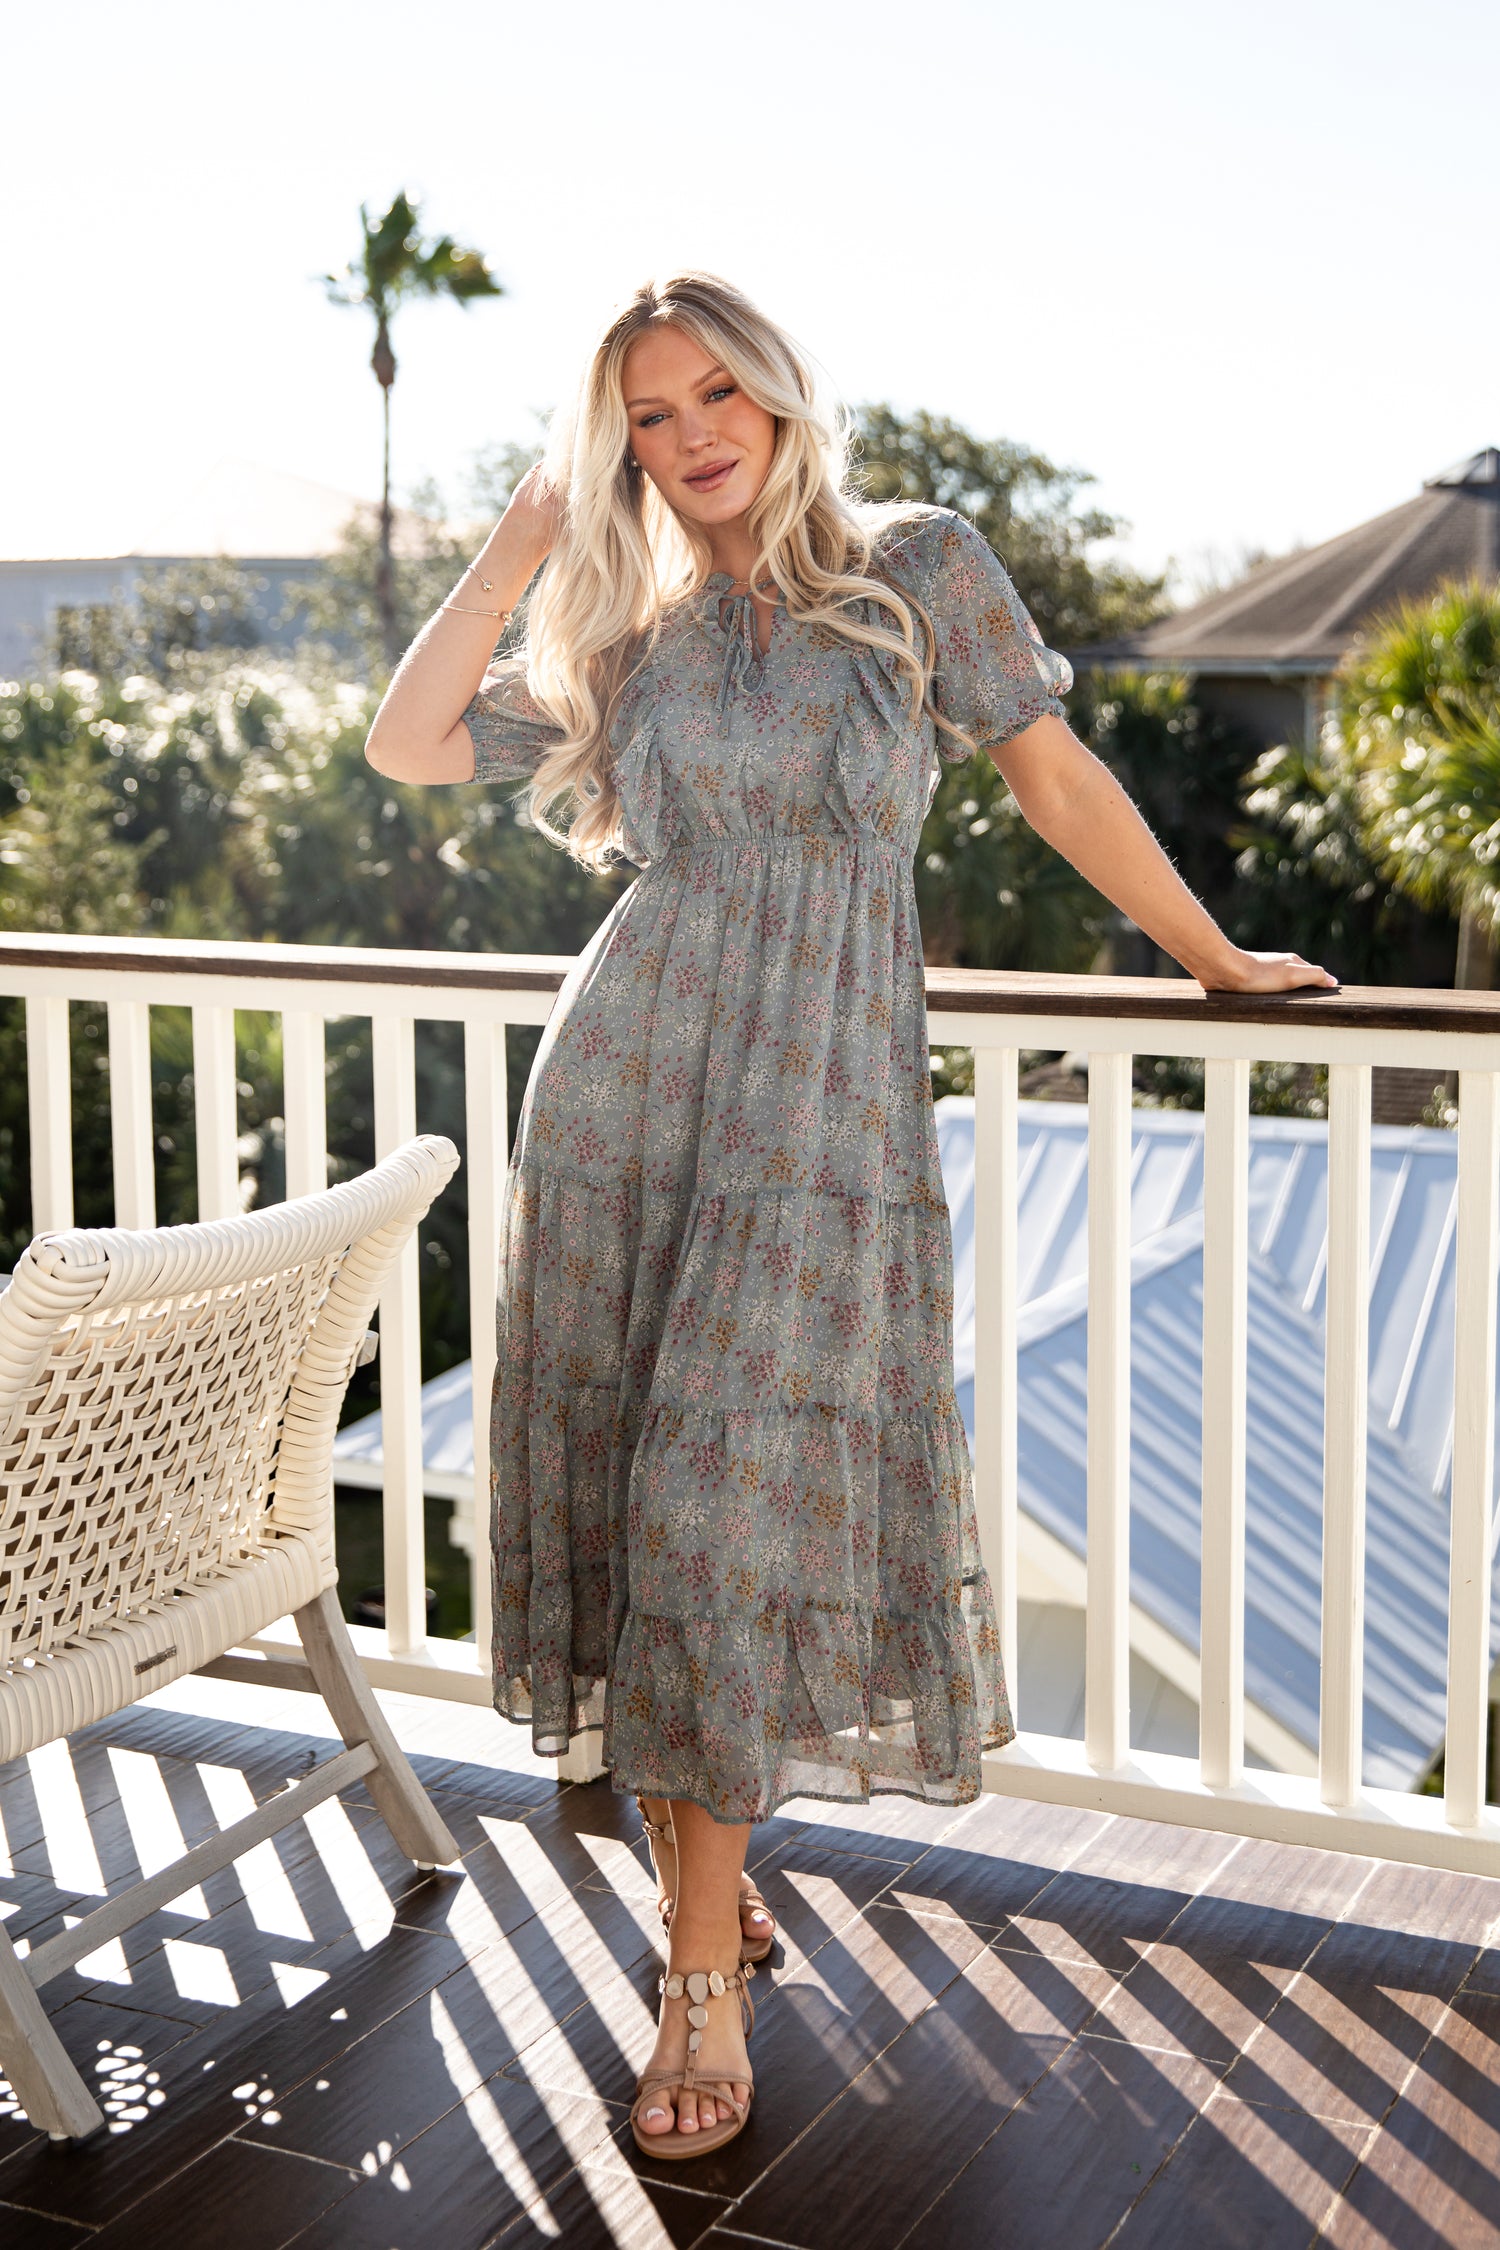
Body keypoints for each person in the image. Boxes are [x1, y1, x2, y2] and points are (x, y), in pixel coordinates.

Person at [364, 270, 1335, 2159]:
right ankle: (705, 1898)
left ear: (787, 393)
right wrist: (521, 535)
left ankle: (700, 1975)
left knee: (720, 1513)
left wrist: (1214, 955)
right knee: (638, 1502)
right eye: (648, 416)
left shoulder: (919, 570)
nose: (691, 434)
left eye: (717, 391)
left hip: (817, 1115)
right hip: (624, 1096)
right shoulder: (630, 631)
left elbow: (1052, 773)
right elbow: (409, 743)